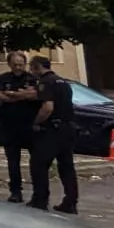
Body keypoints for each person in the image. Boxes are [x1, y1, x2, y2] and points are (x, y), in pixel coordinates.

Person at [28, 55, 80, 214]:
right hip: (68, 128)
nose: (31, 72)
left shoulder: (46, 82)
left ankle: (40, 199)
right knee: (66, 166)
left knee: (38, 164)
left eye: (32, 68)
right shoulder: (63, 82)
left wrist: (36, 122)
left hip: (53, 130)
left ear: (37, 67)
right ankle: (71, 201)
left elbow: (47, 107)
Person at [0, 51, 42, 202]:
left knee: (37, 161)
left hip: (30, 125)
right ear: (9, 64)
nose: (18, 67)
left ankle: (38, 192)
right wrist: (21, 96)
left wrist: (12, 95)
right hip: (10, 125)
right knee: (13, 161)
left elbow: (35, 95)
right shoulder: (3, 78)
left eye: (21, 64)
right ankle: (15, 192)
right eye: (15, 64)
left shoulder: (33, 78)